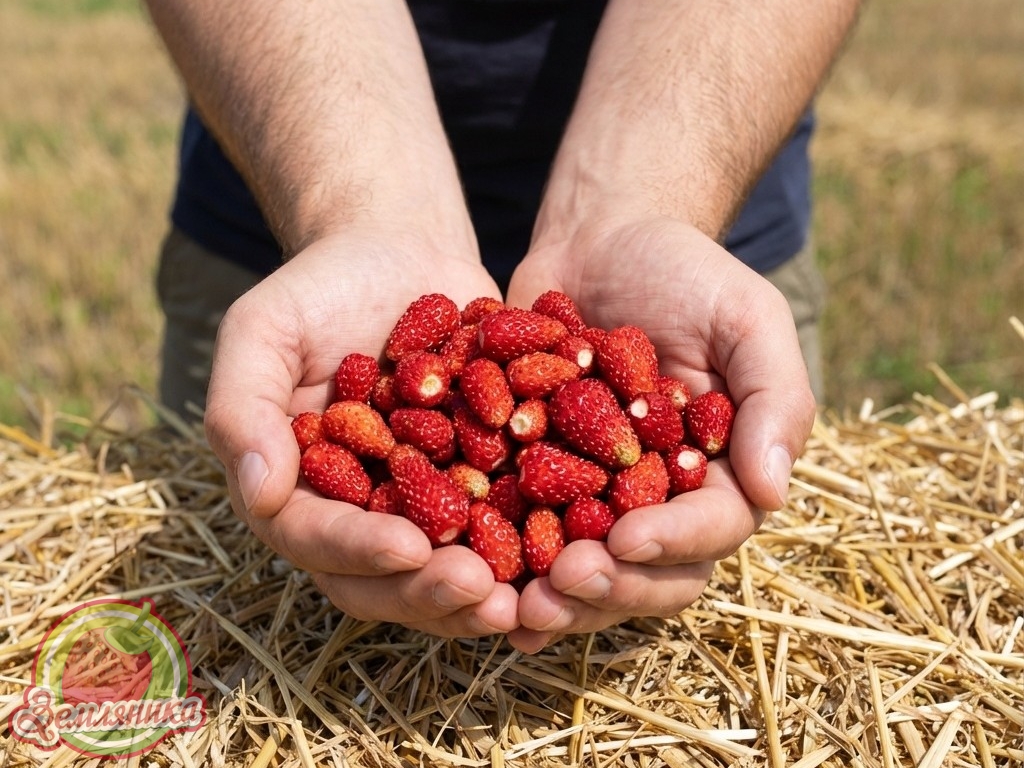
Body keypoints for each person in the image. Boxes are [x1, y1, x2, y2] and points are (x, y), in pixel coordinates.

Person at [145, 0, 860, 653]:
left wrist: (644, 208)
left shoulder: (581, 394)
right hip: (291, 184)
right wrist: (361, 211)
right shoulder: (445, 398)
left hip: (704, 184)